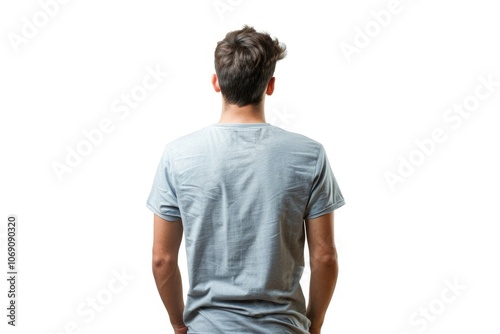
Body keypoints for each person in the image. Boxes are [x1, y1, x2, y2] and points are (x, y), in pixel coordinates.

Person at [147, 25, 345, 334]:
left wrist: (178, 323)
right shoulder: (309, 155)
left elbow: (162, 259)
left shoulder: (177, 156)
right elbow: (325, 256)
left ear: (217, 83)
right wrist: (313, 324)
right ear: (270, 86)